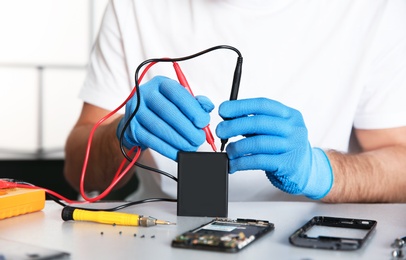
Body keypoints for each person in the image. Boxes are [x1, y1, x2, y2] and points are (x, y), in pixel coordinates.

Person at [64, 0, 406, 203]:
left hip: (307, 237)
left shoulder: (373, 9)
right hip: (160, 232)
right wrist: (121, 134)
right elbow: (78, 171)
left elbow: (400, 168)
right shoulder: (134, 6)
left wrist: (319, 171)